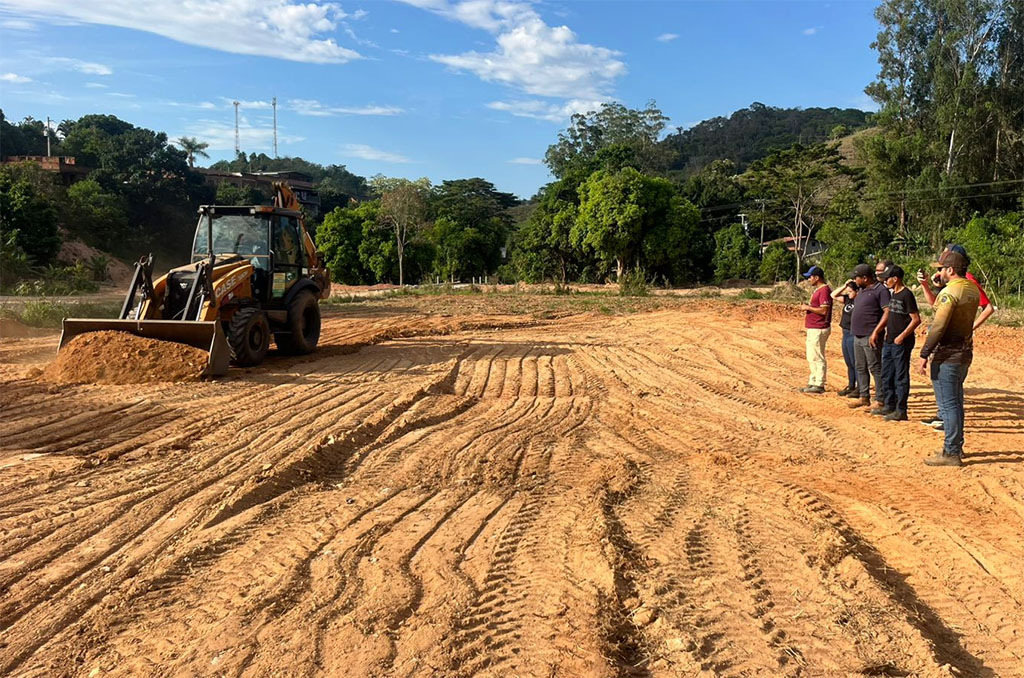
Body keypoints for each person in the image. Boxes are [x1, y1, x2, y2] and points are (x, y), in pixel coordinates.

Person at [916, 243, 995, 430]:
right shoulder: (956, 285)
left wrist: (969, 327)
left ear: (952, 266)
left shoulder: (965, 284)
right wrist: (927, 285)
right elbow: (936, 305)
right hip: (960, 349)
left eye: (944, 262)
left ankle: (950, 441)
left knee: (951, 397)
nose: (940, 268)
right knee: (952, 397)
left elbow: (988, 308)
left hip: (950, 348)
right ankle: (944, 421)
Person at [919, 250, 980, 467]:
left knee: (949, 405)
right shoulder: (971, 289)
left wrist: (925, 353)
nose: (939, 272)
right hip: (965, 352)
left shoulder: (949, 293)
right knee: (956, 402)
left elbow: (938, 326)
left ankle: (951, 451)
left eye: (942, 269)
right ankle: (956, 447)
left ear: (950, 270)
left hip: (947, 355)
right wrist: (938, 285)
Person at [874, 265, 921, 421]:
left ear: (896, 279)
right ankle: (889, 405)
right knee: (887, 374)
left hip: (901, 343)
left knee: (900, 376)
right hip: (889, 341)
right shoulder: (893, 294)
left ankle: (901, 410)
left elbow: (916, 319)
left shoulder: (906, 295)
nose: (885, 281)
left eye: (887, 278)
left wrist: (902, 336)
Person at [848, 262, 891, 409]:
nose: (854, 280)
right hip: (858, 336)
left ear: (865, 278)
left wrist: (876, 332)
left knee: (875, 367)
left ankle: (880, 399)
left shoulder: (881, 290)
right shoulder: (862, 290)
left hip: (870, 336)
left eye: (856, 277)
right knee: (860, 367)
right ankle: (864, 396)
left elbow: (887, 312)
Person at [798, 265, 832, 394]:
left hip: (819, 327)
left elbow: (824, 310)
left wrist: (808, 308)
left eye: (810, 277)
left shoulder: (824, 290)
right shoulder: (819, 290)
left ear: (817, 277)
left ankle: (819, 383)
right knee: (812, 356)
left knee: (817, 356)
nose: (808, 280)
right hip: (814, 327)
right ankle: (813, 381)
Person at [830, 275, 859, 397]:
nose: (849, 293)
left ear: (857, 291)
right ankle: (851, 385)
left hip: (853, 333)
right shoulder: (848, 299)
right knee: (848, 362)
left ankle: (859, 387)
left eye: (851, 291)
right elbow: (833, 295)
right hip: (845, 332)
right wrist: (845, 285)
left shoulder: (860, 301)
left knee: (855, 362)